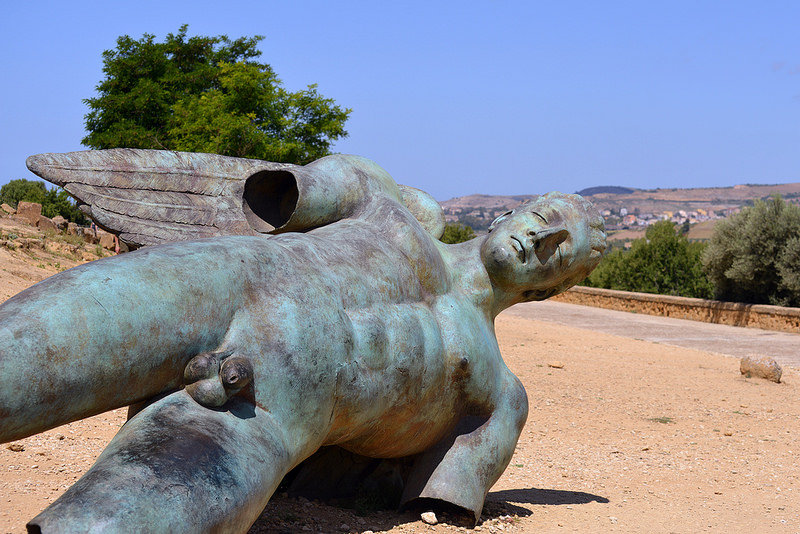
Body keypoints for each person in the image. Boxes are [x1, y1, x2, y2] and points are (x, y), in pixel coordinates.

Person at [1, 152, 605, 533]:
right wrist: (316, 183)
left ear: (552, 288)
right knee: (14, 362)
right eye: (544, 215)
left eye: (563, 251)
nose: (543, 237)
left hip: (275, 406)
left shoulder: (498, 394)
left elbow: (436, 497)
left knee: (108, 523)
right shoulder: (400, 208)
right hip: (215, 281)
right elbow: (298, 191)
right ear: (513, 211)